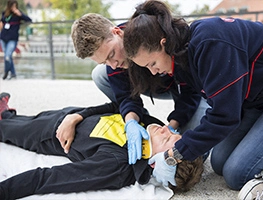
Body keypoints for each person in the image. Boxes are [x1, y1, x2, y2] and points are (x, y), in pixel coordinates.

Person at [122, 0, 263, 194]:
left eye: (152, 63)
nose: (153, 72)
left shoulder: (210, 42)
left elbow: (225, 116)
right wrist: (183, 136)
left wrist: (175, 153)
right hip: (261, 99)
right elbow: (201, 102)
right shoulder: (182, 56)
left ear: (163, 42)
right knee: (219, 161)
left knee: (237, 173)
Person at [0, 92, 203, 200]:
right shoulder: (149, 126)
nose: (166, 129)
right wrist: (77, 116)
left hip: (50, 133)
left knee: (7, 131)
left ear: (155, 163)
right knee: (23, 120)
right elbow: (116, 106)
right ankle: (8, 113)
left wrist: (5, 191)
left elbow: (50, 177)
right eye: (174, 133)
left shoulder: (117, 164)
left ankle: (5, 117)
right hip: (73, 115)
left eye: (167, 139)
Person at [71, 13, 209, 165]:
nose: (113, 64)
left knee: (194, 153)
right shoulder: (115, 62)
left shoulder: (149, 33)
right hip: (153, 86)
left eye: (112, 54)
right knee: (100, 74)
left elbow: (190, 92)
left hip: (190, 87)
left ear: (117, 32)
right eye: (105, 61)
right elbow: (126, 96)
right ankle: (143, 121)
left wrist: (172, 125)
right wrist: (131, 122)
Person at [0, 0, 32, 80]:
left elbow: (29, 20)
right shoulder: (5, 13)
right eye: (12, 6)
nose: (14, 8)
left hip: (13, 38)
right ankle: (13, 73)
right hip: (3, 37)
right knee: (8, 56)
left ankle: (6, 72)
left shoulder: (18, 14)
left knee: (7, 56)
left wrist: (20, 14)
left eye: (15, 6)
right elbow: (2, 22)